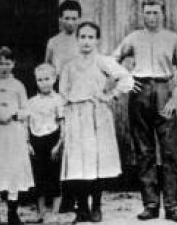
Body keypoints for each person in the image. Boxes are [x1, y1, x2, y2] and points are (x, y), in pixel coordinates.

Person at [114, 0, 177, 222]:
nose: (151, 17)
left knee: (169, 152)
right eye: (147, 12)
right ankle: (150, 204)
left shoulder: (172, 38)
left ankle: (172, 205)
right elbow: (112, 59)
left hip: (165, 90)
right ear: (142, 14)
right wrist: (126, 79)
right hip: (140, 93)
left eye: (156, 12)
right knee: (144, 151)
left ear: (163, 14)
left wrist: (175, 96)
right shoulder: (134, 38)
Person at [61, 22, 135, 223]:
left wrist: (109, 95)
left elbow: (126, 79)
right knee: (79, 163)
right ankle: (82, 206)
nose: (86, 41)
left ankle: (96, 205)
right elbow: (63, 94)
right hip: (76, 115)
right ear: (77, 39)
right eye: (83, 37)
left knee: (96, 162)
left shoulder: (103, 62)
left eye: (91, 37)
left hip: (97, 115)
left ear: (97, 40)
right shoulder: (69, 65)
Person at [0, 46, 33, 225]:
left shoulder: (18, 86)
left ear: (14, 64)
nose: (4, 67)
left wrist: (14, 115)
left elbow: (26, 109)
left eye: (8, 63)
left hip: (13, 132)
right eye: (0, 63)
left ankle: (12, 214)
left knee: (12, 170)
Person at [26, 63, 64, 224]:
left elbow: (63, 124)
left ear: (54, 79)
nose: (44, 83)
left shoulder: (59, 100)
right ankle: (41, 212)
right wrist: (27, 142)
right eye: (40, 80)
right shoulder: (31, 102)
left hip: (53, 139)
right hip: (36, 140)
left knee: (54, 176)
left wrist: (59, 144)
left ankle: (54, 212)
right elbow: (26, 124)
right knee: (38, 177)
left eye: (47, 79)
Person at [44, 0, 82, 77]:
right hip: (58, 84)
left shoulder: (84, 41)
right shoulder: (53, 42)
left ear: (79, 19)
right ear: (60, 19)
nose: (70, 23)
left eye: (74, 19)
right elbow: (47, 68)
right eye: (67, 18)